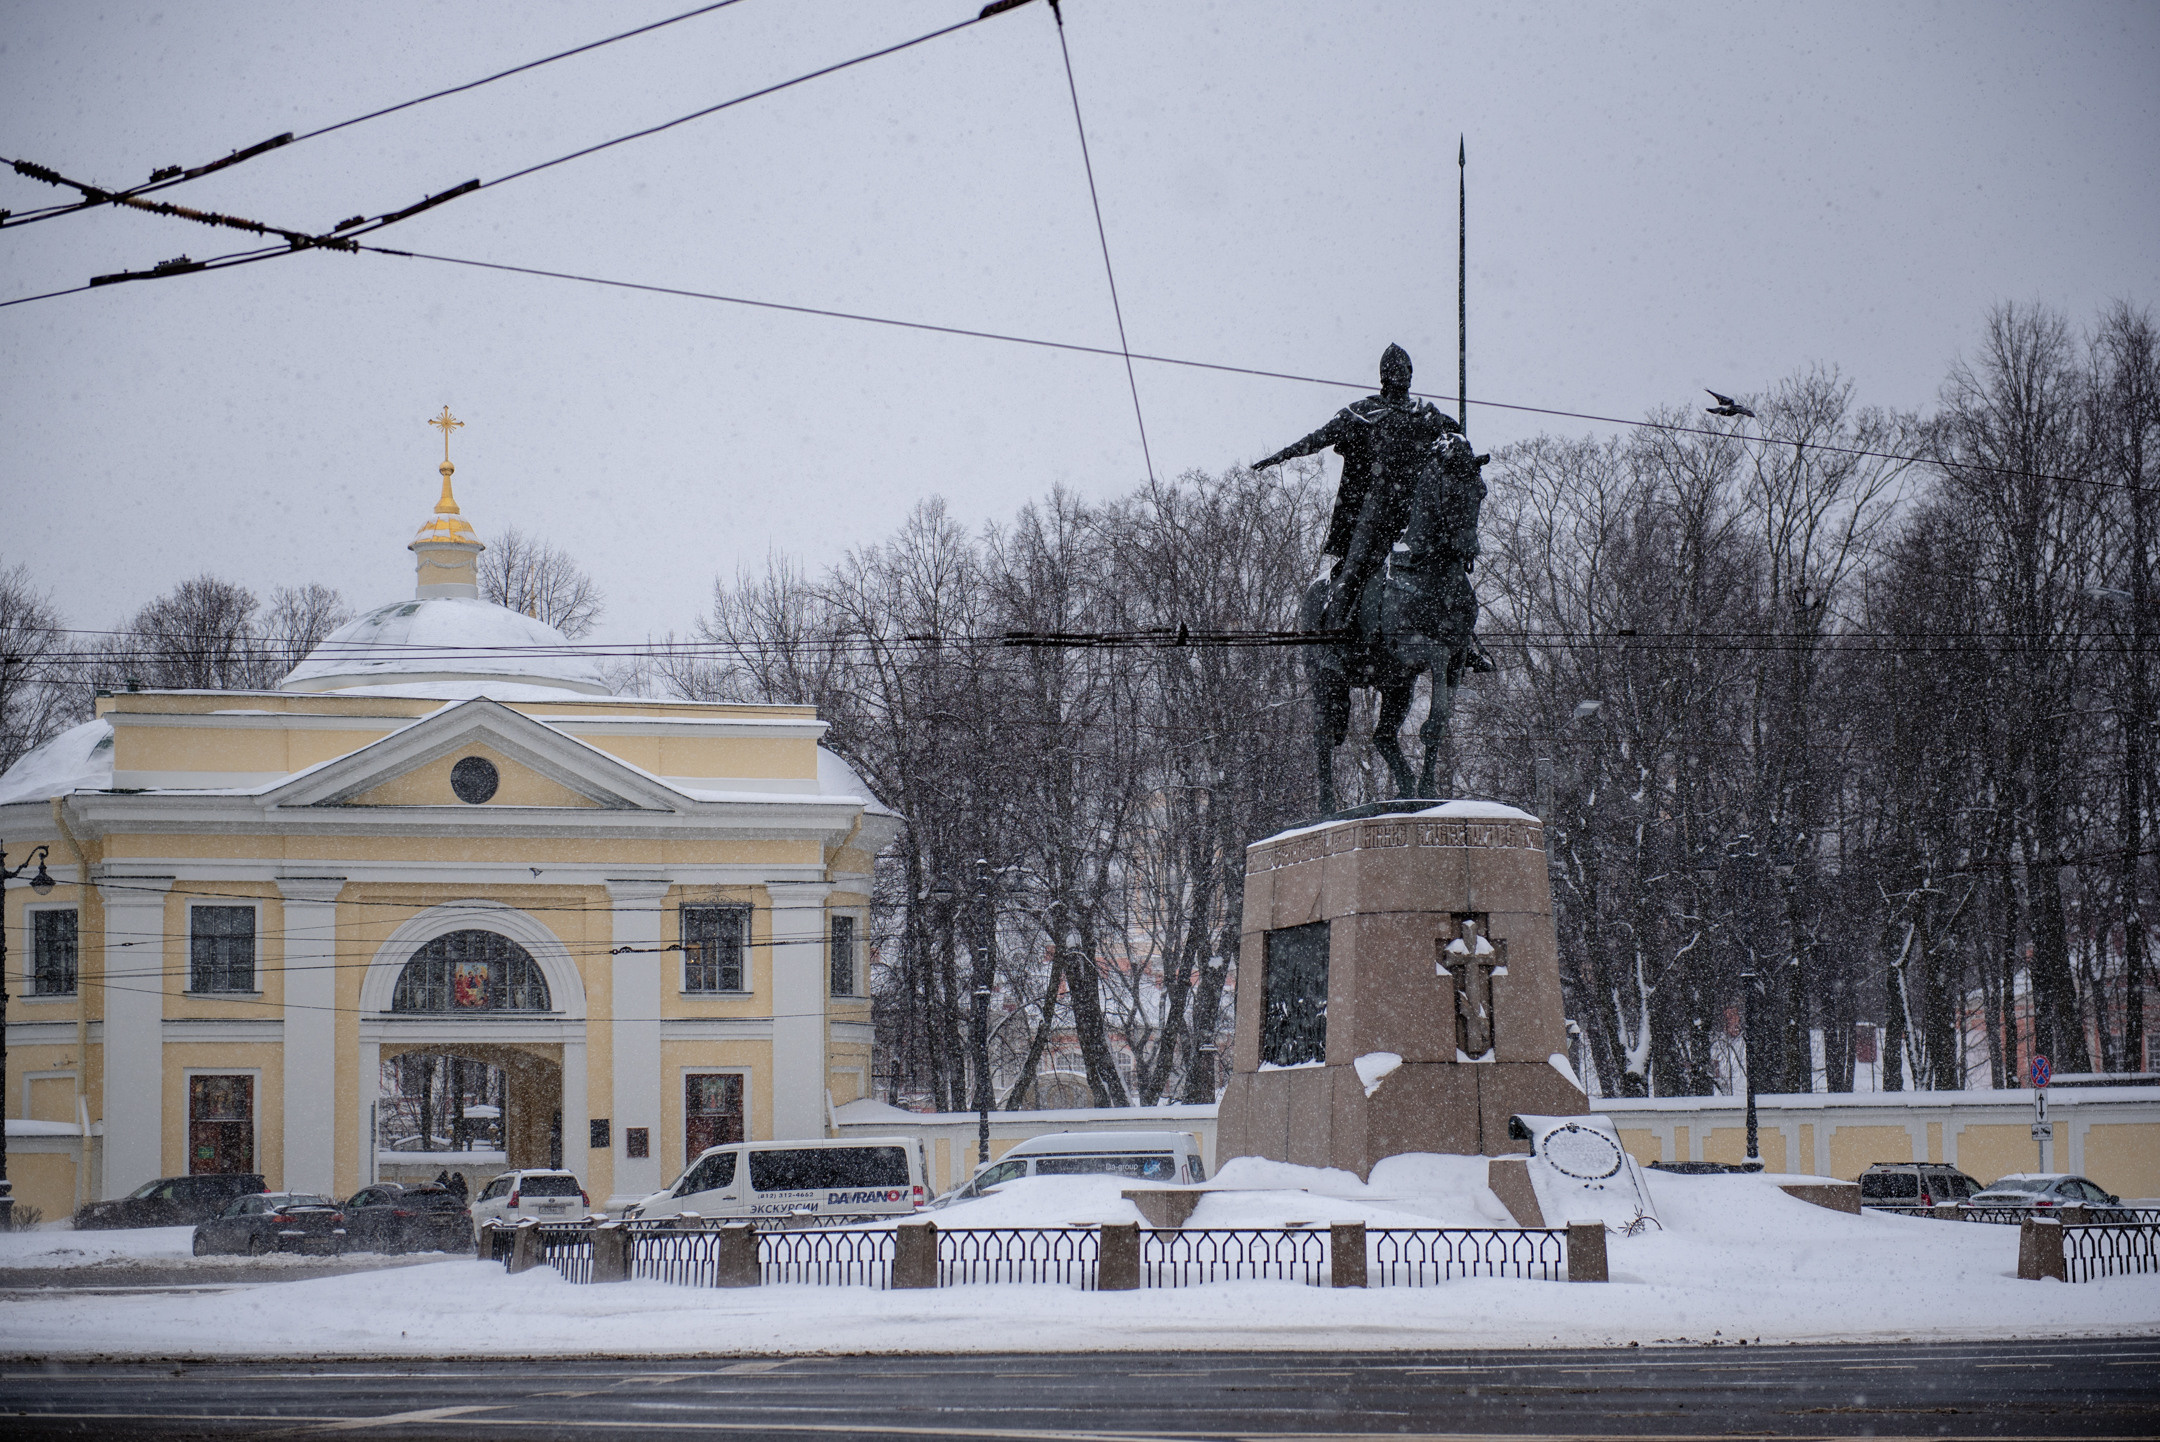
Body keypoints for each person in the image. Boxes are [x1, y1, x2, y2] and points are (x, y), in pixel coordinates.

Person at [1255, 344, 1460, 630]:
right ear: (1385, 375)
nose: (1405, 375)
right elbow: (1318, 438)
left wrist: (1459, 442)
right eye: (1398, 370)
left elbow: (1455, 439)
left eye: (1408, 369)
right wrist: (1282, 455)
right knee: (1355, 566)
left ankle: (1459, 634)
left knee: (1449, 564)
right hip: (1375, 507)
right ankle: (1336, 628)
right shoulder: (1364, 412)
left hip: (1415, 510)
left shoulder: (1426, 414)